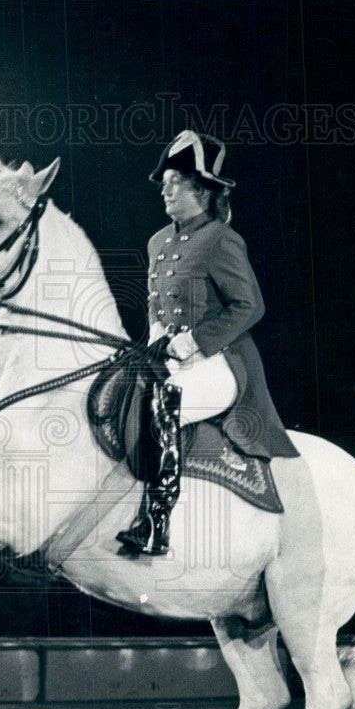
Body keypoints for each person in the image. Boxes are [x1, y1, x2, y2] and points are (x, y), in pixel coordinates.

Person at [117, 130, 299, 555]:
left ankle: (155, 523)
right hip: (172, 355)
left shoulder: (221, 238)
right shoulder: (158, 242)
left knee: (168, 402)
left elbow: (249, 306)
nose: (165, 187)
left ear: (201, 189)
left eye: (175, 180)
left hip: (221, 360)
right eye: (164, 181)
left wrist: (193, 343)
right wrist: (155, 340)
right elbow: (154, 305)